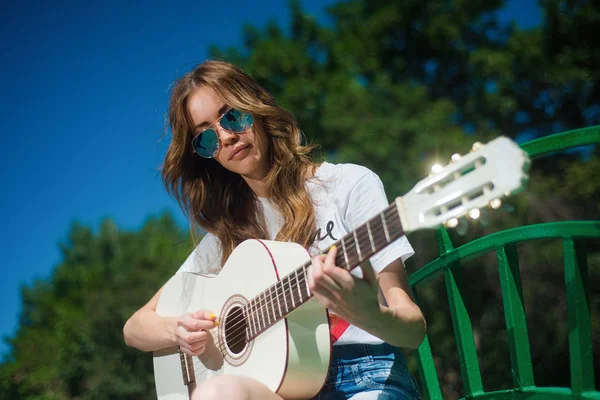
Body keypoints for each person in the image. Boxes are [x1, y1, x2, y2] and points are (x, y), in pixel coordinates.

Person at [123, 60, 426, 400]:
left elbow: (413, 328)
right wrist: (176, 329)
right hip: (280, 391)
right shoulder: (227, 236)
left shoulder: (348, 185)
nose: (226, 136)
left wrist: (369, 313)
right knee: (214, 393)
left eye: (232, 116)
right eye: (206, 138)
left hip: (365, 378)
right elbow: (135, 327)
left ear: (256, 107)